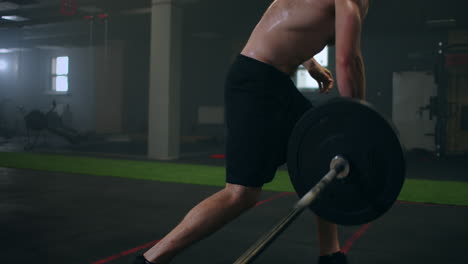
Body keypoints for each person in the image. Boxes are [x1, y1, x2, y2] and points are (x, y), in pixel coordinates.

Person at [136, 0, 368, 263]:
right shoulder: (347, 4)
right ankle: (149, 260)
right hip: (254, 84)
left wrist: (311, 65)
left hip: (275, 83)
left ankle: (331, 255)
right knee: (240, 195)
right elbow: (348, 62)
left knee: (322, 149)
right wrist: (357, 122)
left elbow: (287, 24)